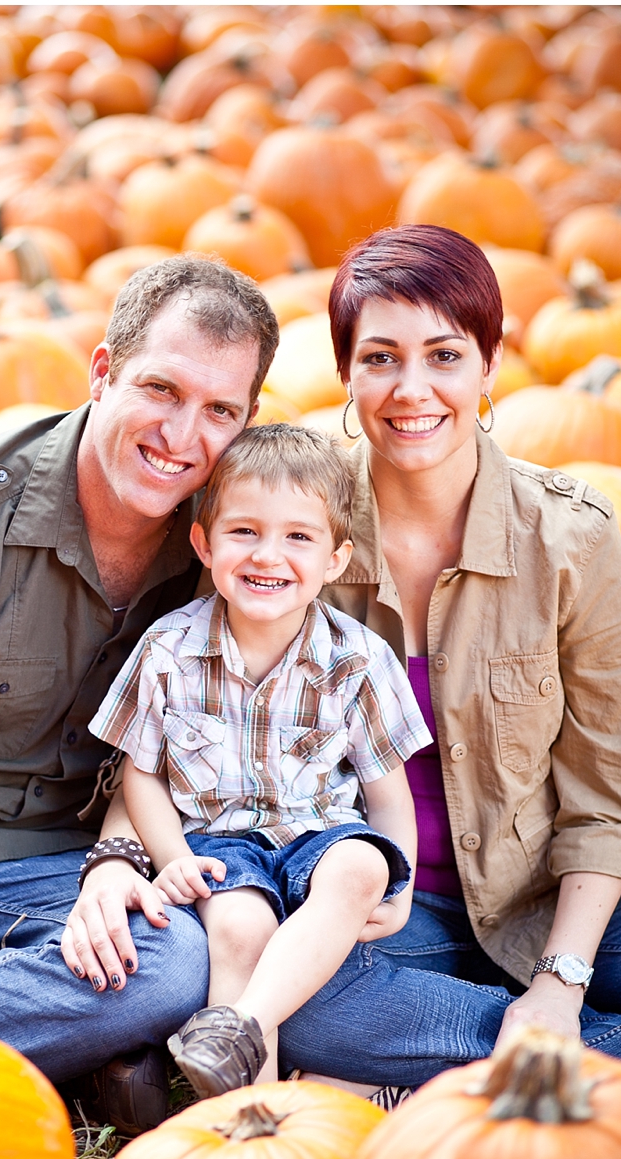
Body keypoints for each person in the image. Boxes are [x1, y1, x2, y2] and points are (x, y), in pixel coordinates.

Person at [0, 255, 280, 1135]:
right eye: (159, 389)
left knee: (172, 960)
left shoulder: (228, 548)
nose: (181, 434)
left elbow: (169, 756)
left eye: (219, 411)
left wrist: (114, 864)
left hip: (46, 865)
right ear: (101, 371)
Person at [275, 224, 621, 1106]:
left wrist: (559, 982)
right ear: (345, 372)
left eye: (444, 354)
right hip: (373, 925)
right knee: (303, 1006)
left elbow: (605, 794)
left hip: (538, 910)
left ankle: (494, 1058)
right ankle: (577, 1071)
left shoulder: (572, 536)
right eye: (380, 358)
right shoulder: (293, 522)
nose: (413, 390)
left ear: (490, 364)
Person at [85, 423, 431, 1100]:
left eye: (298, 536)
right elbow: (142, 772)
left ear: (336, 557)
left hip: (321, 838)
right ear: (204, 543)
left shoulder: (357, 659)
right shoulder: (169, 649)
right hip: (220, 845)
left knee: (365, 863)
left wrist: (404, 886)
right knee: (241, 927)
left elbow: (389, 794)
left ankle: (236, 1025)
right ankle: (255, 1112)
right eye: (244, 531)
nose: (268, 554)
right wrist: (173, 855)